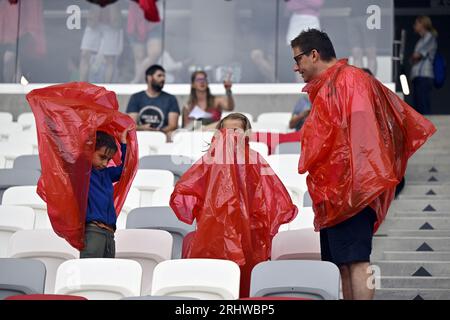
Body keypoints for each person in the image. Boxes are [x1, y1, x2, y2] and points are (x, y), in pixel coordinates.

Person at [290, 29, 436, 300]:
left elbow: (363, 136)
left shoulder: (350, 80)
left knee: (357, 261)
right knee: (343, 265)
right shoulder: (330, 85)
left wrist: (356, 189)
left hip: (352, 189)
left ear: (314, 54)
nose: (295, 66)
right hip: (336, 192)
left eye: (298, 59)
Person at [170, 113, 298, 297]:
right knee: (215, 281)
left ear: (246, 134)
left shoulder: (254, 159)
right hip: (214, 230)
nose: (230, 134)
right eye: (226, 130)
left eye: (235, 130)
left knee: (244, 279)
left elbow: (272, 193)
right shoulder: (211, 160)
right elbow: (188, 186)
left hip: (249, 230)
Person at [80, 129, 131, 258]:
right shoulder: (82, 173)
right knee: (90, 275)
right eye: (102, 157)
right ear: (89, 150)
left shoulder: (106, 174)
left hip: (110, 235)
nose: (105, 163)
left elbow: (126, 169)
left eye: (108, 160)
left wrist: (123, 143)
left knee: (107, 276)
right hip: (93, 232)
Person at [126, 64, 180, 138]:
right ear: (149, 78)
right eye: (159, 76)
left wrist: (157, 133)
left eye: (164, 76)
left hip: (163, 139)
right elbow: (131, 125)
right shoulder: (136, 98)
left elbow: (173, 125)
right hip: (140, 139)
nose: (163, 79)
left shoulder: (171, 99)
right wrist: (143, 128)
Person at [79, 3, 123, 83]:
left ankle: (107, 87)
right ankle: (82, 85)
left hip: (112, 21)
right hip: (94, 20)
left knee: (110, 58)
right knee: (85, 53)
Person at [410, 16, 438, 115]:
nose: (414, 26)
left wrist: (414, 57)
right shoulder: (421, 40)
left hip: (424, 76)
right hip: (418, 76)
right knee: (417, 105)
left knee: (423, 105)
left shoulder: (429, 37)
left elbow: (418, 55)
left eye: (417, 24)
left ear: (423, 24)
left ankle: (427, 130)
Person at [347, 0, 378, 76]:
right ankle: (359, 80)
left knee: (370, 51)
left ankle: (371, 80)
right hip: (353, 15)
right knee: (356, 52)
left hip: (369, 14)